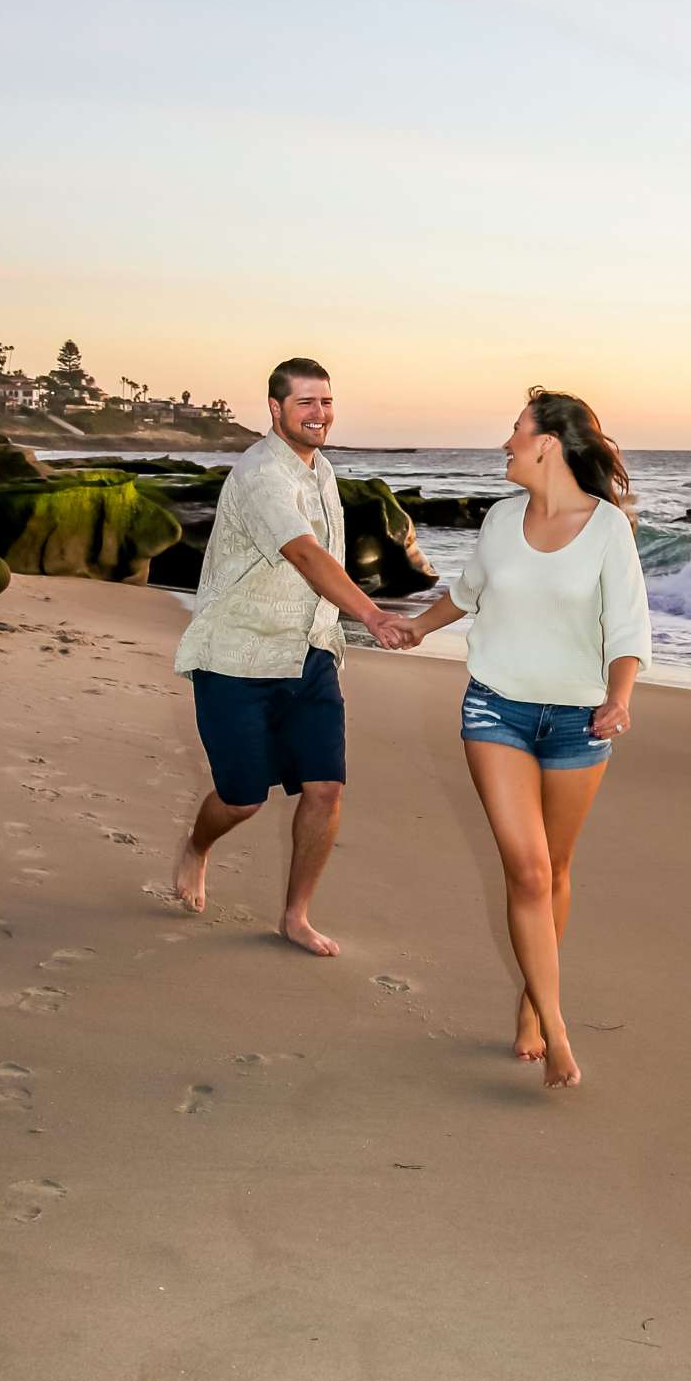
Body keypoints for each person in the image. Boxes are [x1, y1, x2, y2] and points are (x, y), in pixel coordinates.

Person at [402, 388, 651, 1089]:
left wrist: (619, 699)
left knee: (557, 869)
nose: (506, 443)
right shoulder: (500, 518)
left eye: (515, 431)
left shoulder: (607, 527)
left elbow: (628, 628)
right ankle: (557, 1021)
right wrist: (416, 628)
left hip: (578, 720)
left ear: (548, 443)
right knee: (530, 871)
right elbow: (469, 590)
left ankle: (530, 1003)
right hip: (496, 709)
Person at [170, 358, 411, 956]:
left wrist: (342, 622)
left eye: (325, 401)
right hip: (238, 654)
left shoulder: (322, 470)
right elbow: (305, 554)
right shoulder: (259, 475)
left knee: (325, 787)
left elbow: (320, 559)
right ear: (275, 409)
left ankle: (295, 916)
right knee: (242, 798)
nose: (319, 414)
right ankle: (198, 846)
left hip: (310, 649)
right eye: (305, 403)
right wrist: (373, 614)